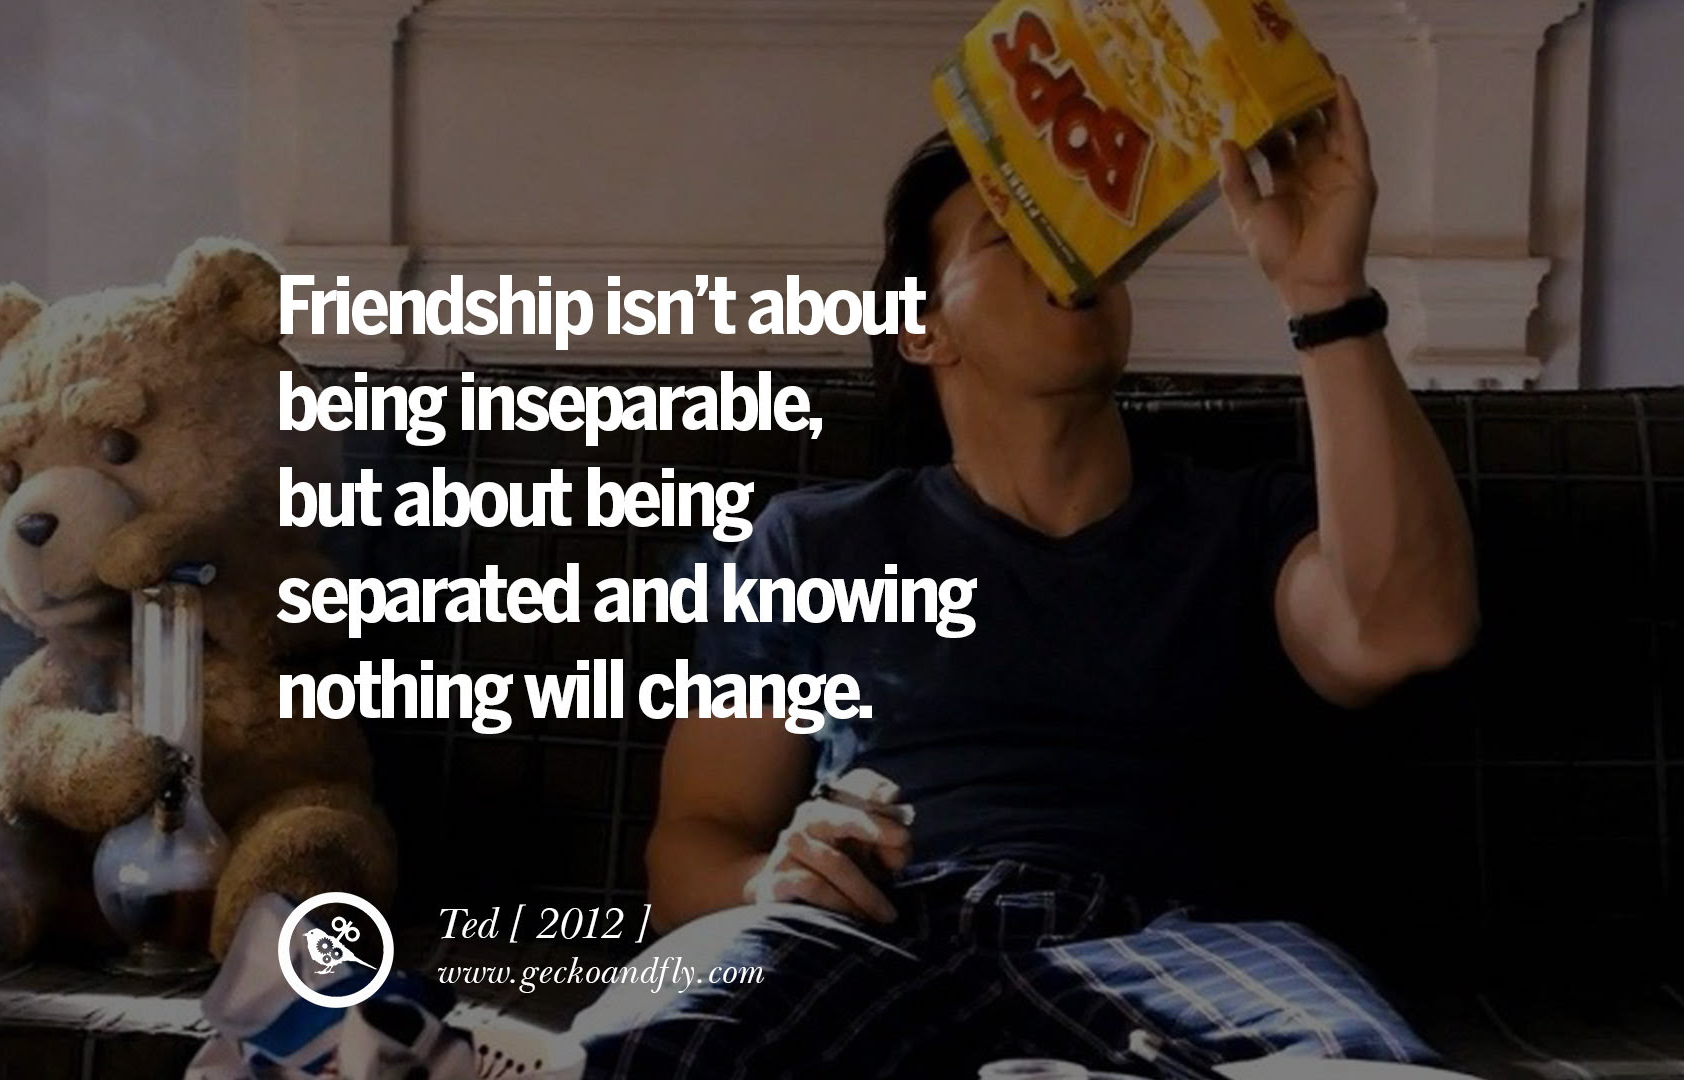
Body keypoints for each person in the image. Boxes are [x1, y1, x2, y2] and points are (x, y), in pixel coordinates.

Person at [573, 73, 1479, 1079]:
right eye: (1010, 234)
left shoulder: (1243, 521)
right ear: (923, 329)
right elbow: (692, 846)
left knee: (1360, 1067)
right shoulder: (813, 544)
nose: (1067, 254)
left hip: (1174, 939)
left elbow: (1407, 630)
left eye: (1078, 234)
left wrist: (1326, 294)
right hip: (875, 929)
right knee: (642, 1047)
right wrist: (765, 882)